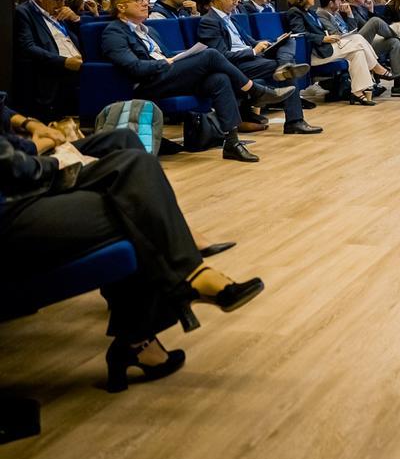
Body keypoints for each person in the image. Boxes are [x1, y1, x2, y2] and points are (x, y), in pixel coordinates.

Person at [0, 93, 265, 391]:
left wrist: (30, 123)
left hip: (23, 165)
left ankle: (149, 326)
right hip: (14, 198)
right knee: (138, 203)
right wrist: (51, 151)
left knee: (125, 143)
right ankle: (160, 310)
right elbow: (13, 168)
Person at [101, 0, 295, 162]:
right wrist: (166, 63)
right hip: (148, 82)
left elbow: (168, 56)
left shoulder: (149, 31)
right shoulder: (114, 32)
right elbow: (133, 67)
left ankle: (232, 142)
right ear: (121, 7)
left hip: (168, 76)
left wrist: (179, 59)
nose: (145, 3)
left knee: (218, 79)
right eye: (137, 0)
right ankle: (255, 91)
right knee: (211, 54)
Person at [197, 0, 321, 134]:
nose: (237, 2)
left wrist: (269, 43)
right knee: (288, 71)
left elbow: (248, 41)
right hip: (238, 64)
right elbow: (221, 56)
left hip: (252, 57)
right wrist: (254, 51)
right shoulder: (209, 21)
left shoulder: (231, 18)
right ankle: (294, 121)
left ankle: (284, 64)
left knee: (288, 41)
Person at [285, 0, 396, 106]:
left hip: (324, 48)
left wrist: (326, 38)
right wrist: (323, 38)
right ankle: (377, 68)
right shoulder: (295, 12)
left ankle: (357, 93)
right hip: (314, 53)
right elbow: (299, 34)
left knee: (357, 53)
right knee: (358, 39)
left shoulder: (309, 12)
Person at [317, 0, 400, 98]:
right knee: (378, 22)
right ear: (331, 3)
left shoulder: (344, 11)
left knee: (394, 42)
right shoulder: (323, 14)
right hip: (347, 44)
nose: (343, 1)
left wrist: (366, 10)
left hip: (359, 40)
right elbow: (337, 34)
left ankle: (399, 85)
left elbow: (354, 30)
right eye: (340, 0)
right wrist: (350, 14)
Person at [13, 0, 82, 121]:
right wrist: (63, 61)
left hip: (74, 66)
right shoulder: (24, 12)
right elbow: (28, 47)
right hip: (49, 69)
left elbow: (74, 39)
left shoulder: (57, 12)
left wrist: (75, 19)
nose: (63, 4)